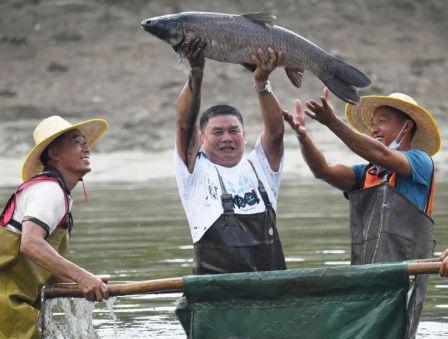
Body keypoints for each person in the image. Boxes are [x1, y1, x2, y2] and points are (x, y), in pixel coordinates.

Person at [283, 88, 441, 338]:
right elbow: (323, 170)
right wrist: (303, 137)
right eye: (372, 124)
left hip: (404, 279)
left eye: (382, 122)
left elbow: (379, 153)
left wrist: (333, 122)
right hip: (366, 277)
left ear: (406, 126)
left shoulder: (421, 161)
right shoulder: (368, 172)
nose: (374, 129)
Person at [0, 115, 110, 339]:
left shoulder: (53, 191)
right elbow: (30, 244)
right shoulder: (49, 190)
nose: (87, 148)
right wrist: (81, 276)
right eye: (76, 142)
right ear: (53, 153)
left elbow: (41, 267)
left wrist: (83, 280)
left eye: (85, 142)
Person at [174, 38, 288, 274]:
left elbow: (276, 131)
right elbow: (185, 123)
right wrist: (196, 72)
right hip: (217, 298)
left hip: (272, 295)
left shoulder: (260, 167)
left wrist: (262, 82)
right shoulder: (195, 171)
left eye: (233, 131)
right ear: (201, 139)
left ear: (244, 135)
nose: (227, 137)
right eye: (217, 132)